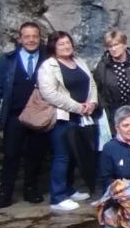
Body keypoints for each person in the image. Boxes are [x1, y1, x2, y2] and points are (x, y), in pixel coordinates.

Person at [0, 22, 48, 209]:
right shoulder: (7, 61)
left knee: (36, 154)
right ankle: (5, 193)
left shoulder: (48, 59)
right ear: (20, 39)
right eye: (27, 36)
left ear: (39, 37)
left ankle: (31, 189)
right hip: (14, 115)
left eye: (35, 36)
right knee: (10, 155)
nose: (31, 39)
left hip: (39, 115)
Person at [38, 31, 99, 213]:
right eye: (61, 44)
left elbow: (92, 83)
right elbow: (50, 94)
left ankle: (69, 189)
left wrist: (92, 102)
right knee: (62, 156)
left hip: (82, 117)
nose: (66, 46)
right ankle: (57, 197)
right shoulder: (48, 66)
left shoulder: (79, 61)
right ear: (53, 47)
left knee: (73, 155)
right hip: (62, 118)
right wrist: (78, 107)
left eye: (68, 43)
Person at [93, 30, 130, 133]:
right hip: (113, 110)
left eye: (116, 44)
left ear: (124, 44)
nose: (113, 48)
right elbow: (97, 89)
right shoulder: (103, 66)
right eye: (110, 46)